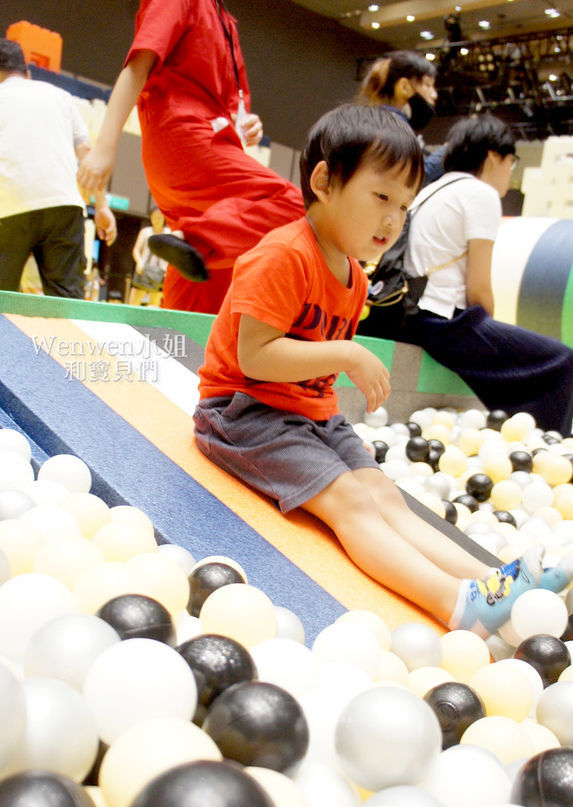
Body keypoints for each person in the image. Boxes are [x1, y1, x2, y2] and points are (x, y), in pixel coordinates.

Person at [193, 103, 569, 638]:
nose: (394, 220)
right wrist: (346, 355)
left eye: (404, 207)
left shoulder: (352, 274)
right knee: (349, 501)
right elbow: (255, 357)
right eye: (381, 197)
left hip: (308, 416)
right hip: (243, 413)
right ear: (324, 180)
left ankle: (494, 582)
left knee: (385, 494)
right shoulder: (283, 255)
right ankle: (457, 604)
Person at [77, 0, 305, 315]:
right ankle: (193, 240)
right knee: (297, 205)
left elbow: (229, 104)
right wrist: (104, 148)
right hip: (186, 142)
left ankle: (188, 253)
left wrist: (246, 122)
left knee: (202, 291)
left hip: (204, 148)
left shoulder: (225, 20)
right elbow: (136, 67)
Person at [399, 113, 573, 438]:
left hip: (413, 313)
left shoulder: (433, 190)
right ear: (493, 155)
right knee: (562, 361)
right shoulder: (480, 194)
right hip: (445, 322)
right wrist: (492, 329)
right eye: (511, 162)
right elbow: (478, 290)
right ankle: (543, 450)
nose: (510, 173)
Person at [0, 39, 117, 299]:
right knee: (66, 304)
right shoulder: (61, 97)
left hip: (9, 206)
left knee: (2, 302)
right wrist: (102, 207)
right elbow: (87, 156)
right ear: (27, 72)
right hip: (64, 205)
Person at [356, 51, 444, 183]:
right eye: (427, 85)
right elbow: (411, 177)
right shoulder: (391, 126)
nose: (434, 95)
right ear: (404, 87)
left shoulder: (379, 120)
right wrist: (450, 151)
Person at [129, 207, 169, 306]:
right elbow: (136, 250)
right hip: (143, 269)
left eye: (159, 217)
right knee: (134, 300)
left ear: (164, 218)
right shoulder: (145, 232)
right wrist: (139, 262)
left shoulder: (169, 232)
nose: (157, 220)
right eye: (154, 217)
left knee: (155, 302)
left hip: (161, 272)